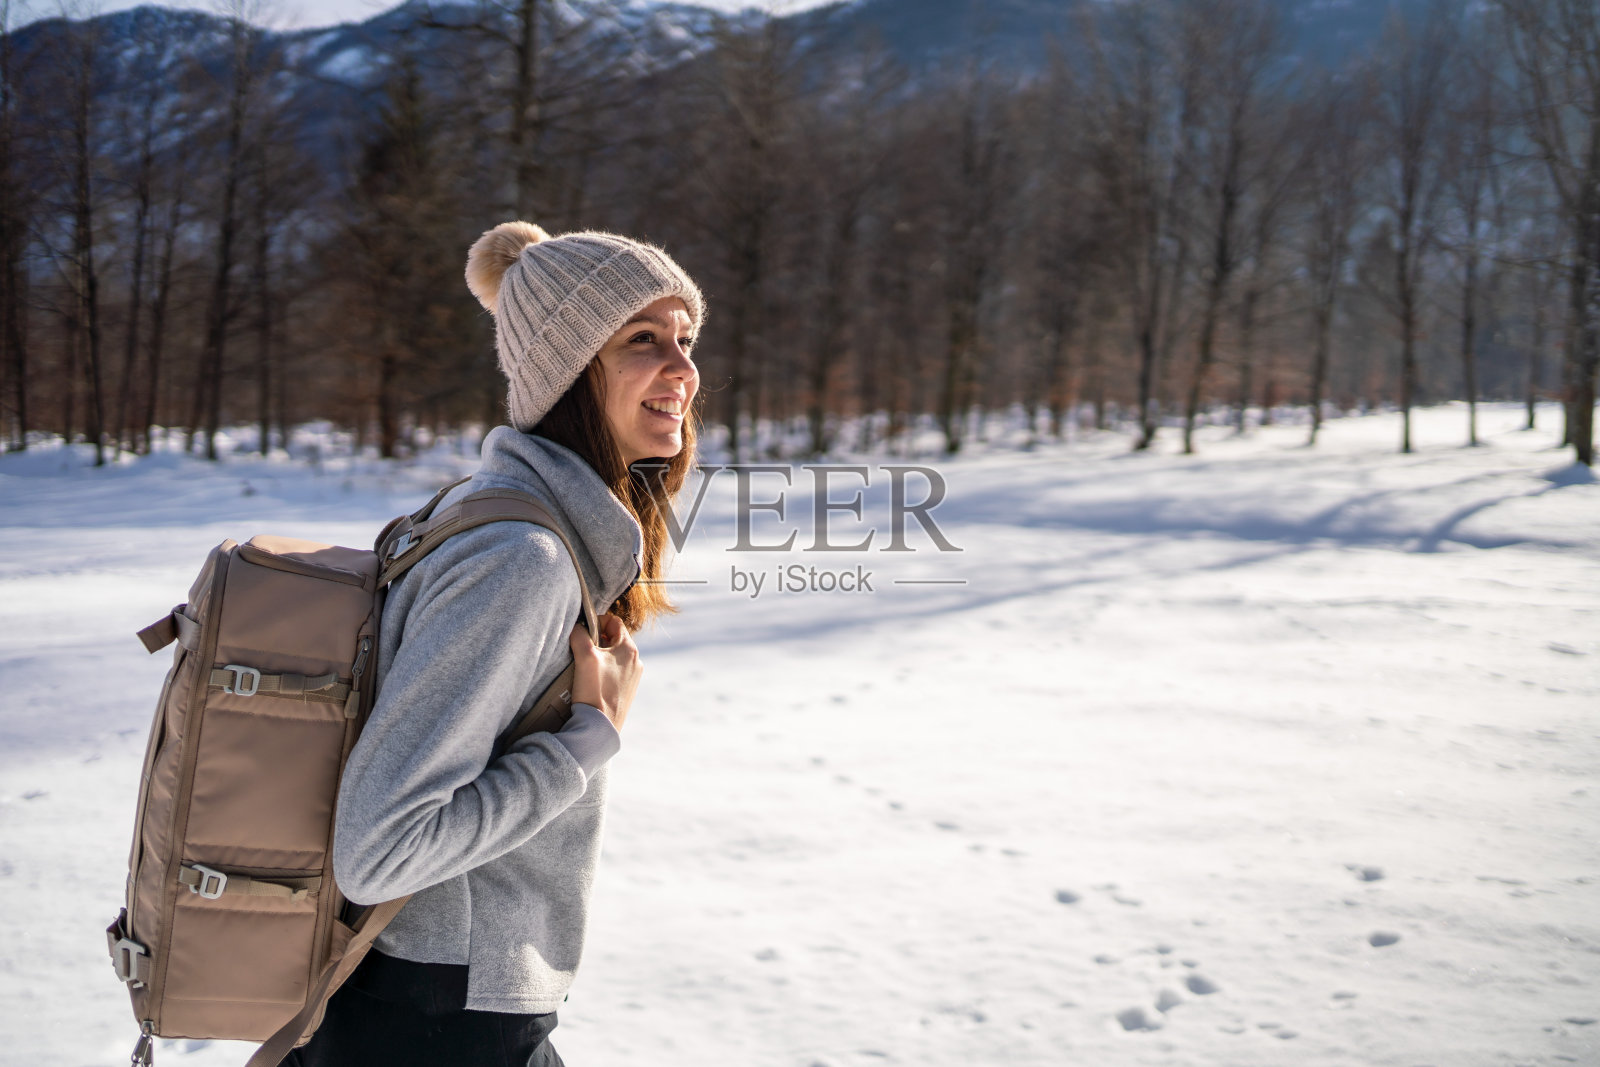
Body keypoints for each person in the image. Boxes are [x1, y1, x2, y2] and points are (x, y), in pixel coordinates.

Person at [284, 221, 705, 1067]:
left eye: (686, 339)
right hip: (435, 1020)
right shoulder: (520, 558)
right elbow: (381, 849)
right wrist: (582, 746)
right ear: (569, 370)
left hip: (423, 1003)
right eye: (643, 339)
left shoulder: (504, 518)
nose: (683, 370)